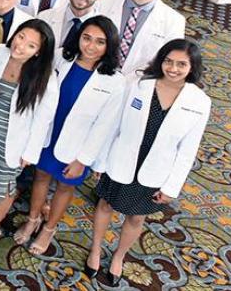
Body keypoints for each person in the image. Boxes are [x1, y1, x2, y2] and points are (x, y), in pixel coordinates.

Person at [87, 39, 209, 287]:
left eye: (181, 64)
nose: (172, 68)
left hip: (155, 170)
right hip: (120, 159)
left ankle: (119, 257)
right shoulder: (139, 85)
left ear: (192, 67)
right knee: (105, 205)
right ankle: (96, 250)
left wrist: (171, 187)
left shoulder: (199, 102)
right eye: (168, 61)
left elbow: (188, 149)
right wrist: (99, 162)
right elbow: (114, 125)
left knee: (135, 217)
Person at [19, 16, 123, 255]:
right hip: (48, 133)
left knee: (65, 187)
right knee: (41, 177)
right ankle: (33, 219)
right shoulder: (60, 58)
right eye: (86, 38)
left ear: (109, 46)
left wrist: (83, 160)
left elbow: (105, 126)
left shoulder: (115, 81)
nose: (90, 46)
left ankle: (48, 228)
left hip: (78, 147)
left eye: (99, 42)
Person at [0, 20, 59, 247]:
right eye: (21, 36)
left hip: (13, 142)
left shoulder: (45, 77)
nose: (21, 45)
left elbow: (43, 119)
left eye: (31, 45)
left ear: (38, 53)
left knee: (3, 185)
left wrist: (30, 152)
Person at [99, 0, 186, 74]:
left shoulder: (174, 21)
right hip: (98, 72)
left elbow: (171, 60)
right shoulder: (105, 2)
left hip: (138, 82)